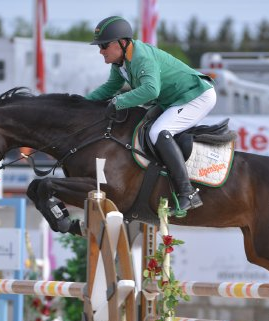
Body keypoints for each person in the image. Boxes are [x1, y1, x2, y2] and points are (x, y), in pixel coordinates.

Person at [85, 16, 216, 212]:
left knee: (158, 132)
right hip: (173, 100)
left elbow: (150, 91)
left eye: (104, 45)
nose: (100, 51)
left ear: (122, 42)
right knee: (139, 126)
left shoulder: (141, 58)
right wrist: (81, 104)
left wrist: (118, 102)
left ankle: (187, 192)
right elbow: (110, 88)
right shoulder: (120, 63)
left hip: (196, 96)